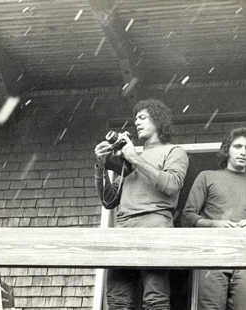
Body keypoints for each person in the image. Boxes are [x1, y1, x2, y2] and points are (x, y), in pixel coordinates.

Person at [94, 99, 189, 310]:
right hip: (124, 229)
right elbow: (109, 200)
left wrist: (134, 159)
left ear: (158, 120)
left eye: (142, 117)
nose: (136, 122)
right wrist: (100, 165)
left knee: (155, 299)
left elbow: (172, 185)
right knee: (118, 300)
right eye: (135, 118)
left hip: (155, 227)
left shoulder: (174, 151)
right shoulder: (132, 157)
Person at [182, 127, 246, 310]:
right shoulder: (207, 177)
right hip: (212, 257)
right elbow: (187, 216)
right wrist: (215, 224)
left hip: (245, 259)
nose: (243, 152)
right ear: (227, 149)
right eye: (237, 146)